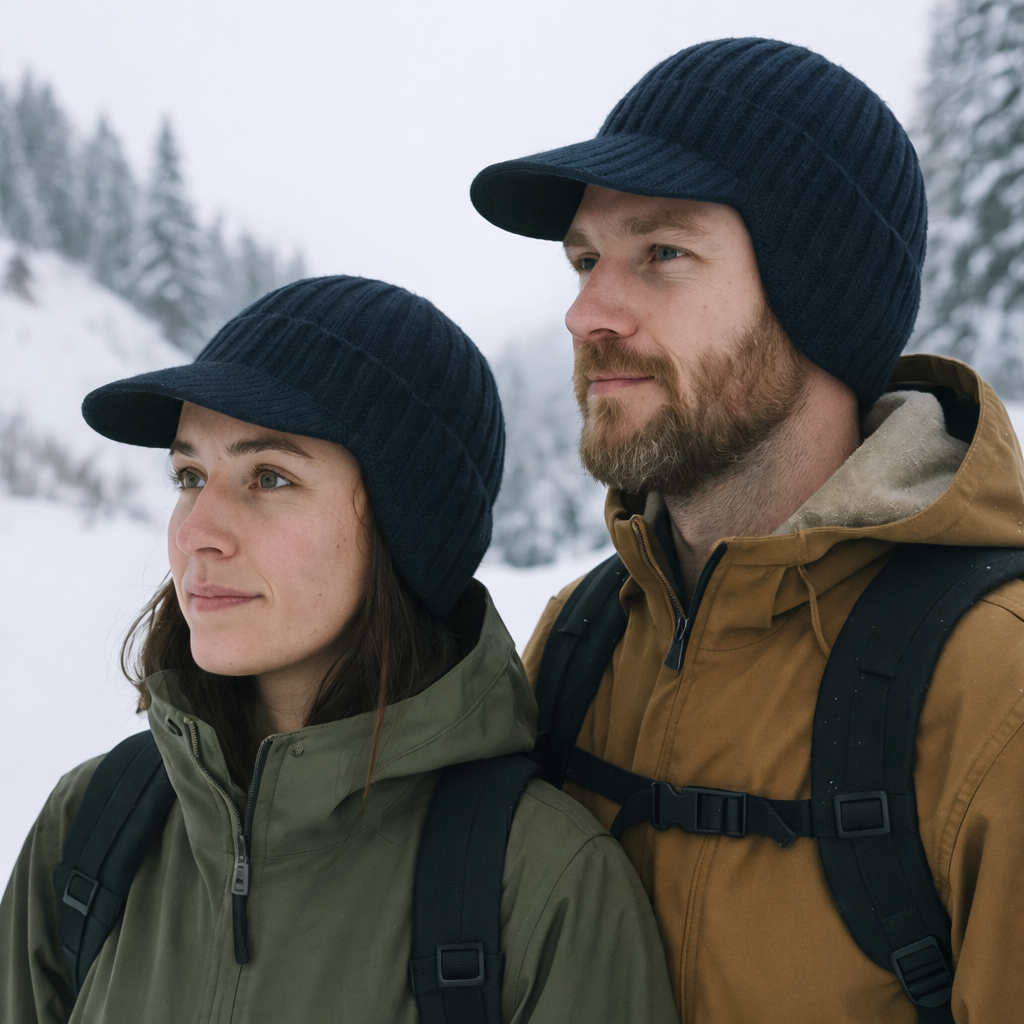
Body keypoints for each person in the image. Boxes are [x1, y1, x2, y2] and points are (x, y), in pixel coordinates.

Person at [470, 37, 1024, 1024]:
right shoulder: (578, 643)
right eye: (587, 259)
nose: (585, 310)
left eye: (662, 254)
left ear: (818, 295)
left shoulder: (993, 693)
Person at [0, 276, 678, 1023]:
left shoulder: (542, 884)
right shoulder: (90, 833)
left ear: (405, 531)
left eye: (268, 477)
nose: (197, 530)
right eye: (190, 475)